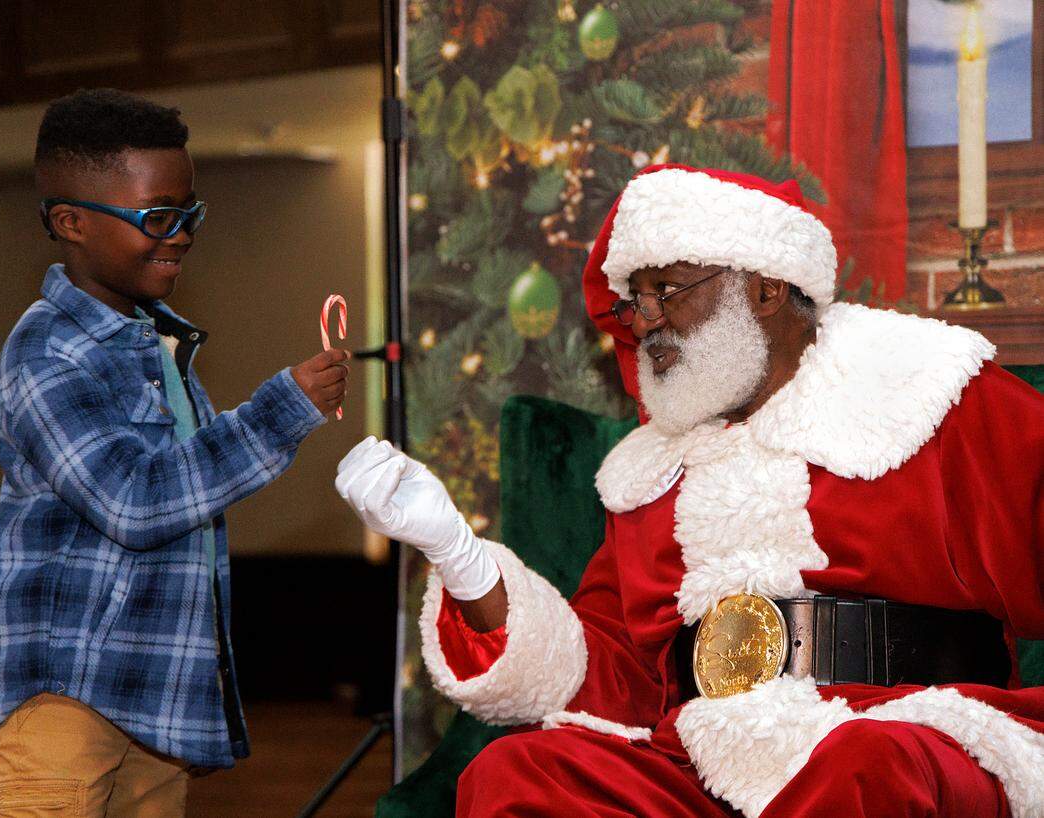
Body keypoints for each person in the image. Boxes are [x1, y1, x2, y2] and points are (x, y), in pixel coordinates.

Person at [336, 165, 1044, 817]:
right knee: (517, 774)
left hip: (909, 733)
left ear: (765, 286)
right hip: (706, 760)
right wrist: (456, 552)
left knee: (869, 765)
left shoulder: (923, 392)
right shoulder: (650, 474)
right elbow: (608, 674)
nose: (643, 321)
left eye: (666, 290)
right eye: (633, 301)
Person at [0, 88, 350, 816]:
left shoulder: (157, 346)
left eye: (189, 214)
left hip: (149, 708)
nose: (180, 235)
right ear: (71, 222)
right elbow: (133, 501)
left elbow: (186, 511)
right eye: (157, 218)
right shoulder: (47, 349)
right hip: (65, 702)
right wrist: (280, 412)